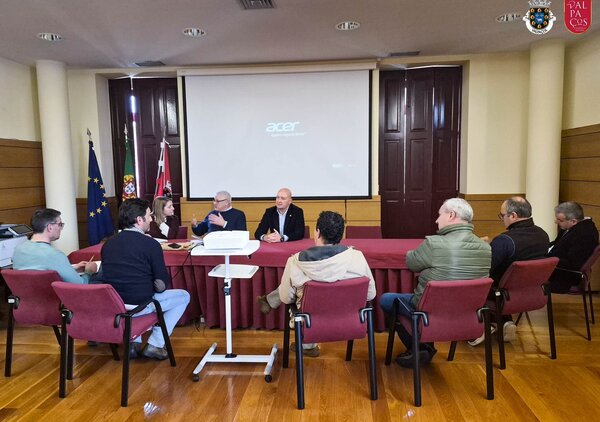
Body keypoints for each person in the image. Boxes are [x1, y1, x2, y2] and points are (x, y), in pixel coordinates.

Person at [379, 198, 491, 367]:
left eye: (439, 215)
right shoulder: (486, 248)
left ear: (451, 215)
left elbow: (411, 263)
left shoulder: (433, 244)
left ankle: (420, 347)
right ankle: (423, 346)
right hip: (467, 314)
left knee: (387, 299)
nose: (437, 220)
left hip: (429, 312)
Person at [257, 210, 376, 357]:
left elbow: (286, 298)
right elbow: (370, 294)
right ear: (341, 235)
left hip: (310, 323)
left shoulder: (295, 261)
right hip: (350, 321)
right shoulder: (357, 257)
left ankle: (306, 344)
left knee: (295, 293)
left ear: (318, 232)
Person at [94, 198, 190, 360]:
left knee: (134, 293)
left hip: (114, 303)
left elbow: (104, 275)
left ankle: (133, 342)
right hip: (140, 303)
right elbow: (161, 285)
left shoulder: (108, 244)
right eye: (149, 215)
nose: (151, 219)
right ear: (139, 220)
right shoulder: (150, 244)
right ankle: (156, 344)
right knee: (183, 296)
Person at [469, 196, 549, 346]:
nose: (502, 219)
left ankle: (482, 327)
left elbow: (486, 269)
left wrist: (484, 249)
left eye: (502, 215)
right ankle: (505, 322)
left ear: (513, 216)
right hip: (533, 292)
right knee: (505, 283)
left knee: (473, 283)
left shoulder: (505, 240)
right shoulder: (543, 235)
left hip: (502, 295)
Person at [13, 208, 97, 283]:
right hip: (52, 295)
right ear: (50, 227)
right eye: (60, 224)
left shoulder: (18, 249)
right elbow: (81, 284)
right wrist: (89, 272)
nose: (61, 228)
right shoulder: (54, 254)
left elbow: (37, 270)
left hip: (27, 295)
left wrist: (73, 268)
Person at [547, 201, 599, 293]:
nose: (556, 222)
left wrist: (546, 259)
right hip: (558, 267)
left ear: (573, 221)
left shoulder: (585, 235)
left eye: (560, 220)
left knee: (528, 275)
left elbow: (573, 263)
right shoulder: (571, 227)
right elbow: (556, 244)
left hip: (566, 276)